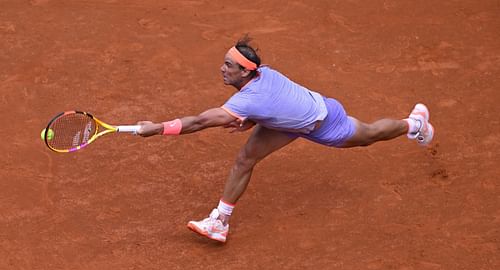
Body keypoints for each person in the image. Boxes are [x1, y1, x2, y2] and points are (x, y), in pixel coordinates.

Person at [137, 35, 434, 243]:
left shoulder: (250, 97)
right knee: (245, 159)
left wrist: (156, 128)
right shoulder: (262, 74)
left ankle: (413, 124)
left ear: (245, 71)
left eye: (229, 65)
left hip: (324, 120)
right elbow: (271, 106)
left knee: (368, 135)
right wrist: (254, 119)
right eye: (224, 62)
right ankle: (219, 222)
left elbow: (201, 121)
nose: (222, 68)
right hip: (287, 122)